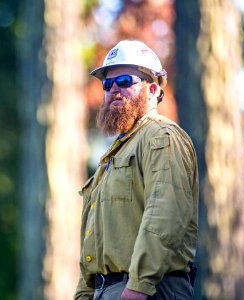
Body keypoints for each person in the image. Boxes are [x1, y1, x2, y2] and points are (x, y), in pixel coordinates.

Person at [74, 40, 199, 300]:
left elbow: (164, 214)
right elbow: (95, 242)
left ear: (153, 89)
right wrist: (84, 293)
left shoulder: (160, 136)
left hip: (147, 291)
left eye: (126, 81)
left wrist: (138, 286)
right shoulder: (115, 152)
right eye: (108, 84)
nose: (114, 90)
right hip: (111, 291)